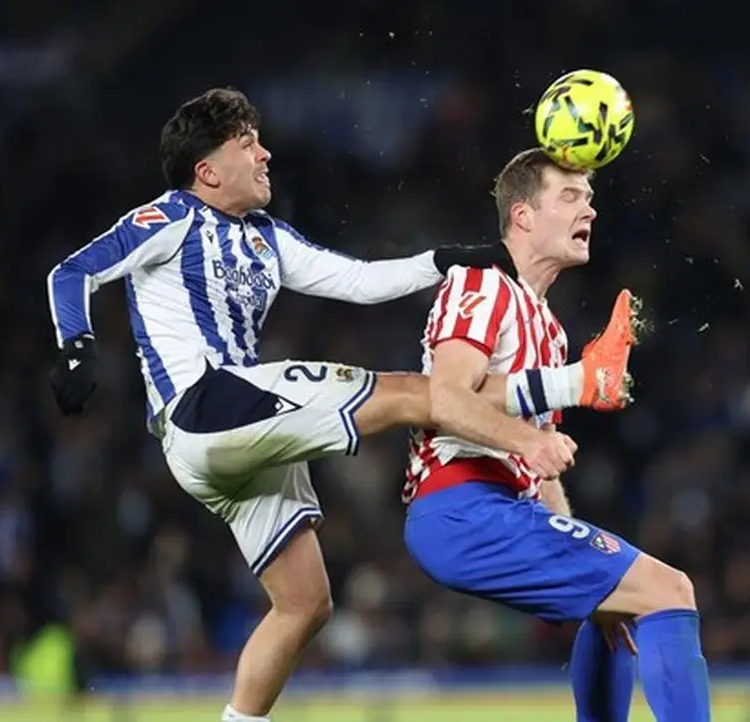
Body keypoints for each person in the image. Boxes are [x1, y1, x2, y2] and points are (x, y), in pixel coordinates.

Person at [44, 88, 639, 721]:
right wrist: (77, 346)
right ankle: (575, 385)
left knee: (305, 603)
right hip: (206, 403)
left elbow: (355, 281)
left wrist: (443, 261)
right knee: (417, 392)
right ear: (207, 171)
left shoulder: (267, 238)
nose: (266, 153)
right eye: (248, 145)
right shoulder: (170, 217)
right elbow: (72, 272)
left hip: (235, 439)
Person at [404, 148, 712, 722]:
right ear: (522, 216)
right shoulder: (481, 283)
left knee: (616, 610)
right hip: (458, 504)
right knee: (671, 591)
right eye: (570, 197)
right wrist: (545, 417)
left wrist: (561, 509)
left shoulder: (547, 327)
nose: (589, 210)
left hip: (499, 505)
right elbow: (444, 397)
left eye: (590, 198)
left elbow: (538, 470)